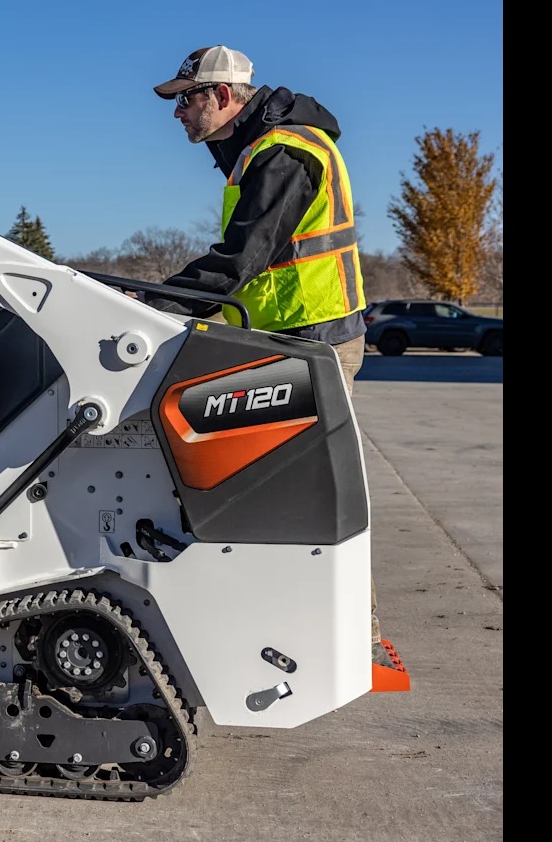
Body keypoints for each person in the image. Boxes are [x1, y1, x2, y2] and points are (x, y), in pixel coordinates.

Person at [148, 45, 390, 668]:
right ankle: (307, 624)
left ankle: (346, 633)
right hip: (286, 337)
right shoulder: (254, 149)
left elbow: (243, 258)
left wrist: (153, 301)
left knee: (311, 491)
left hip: (316, 341)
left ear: (224, 96)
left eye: (186, 98)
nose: (177, 113)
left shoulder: (284, 150)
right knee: (270, 485)